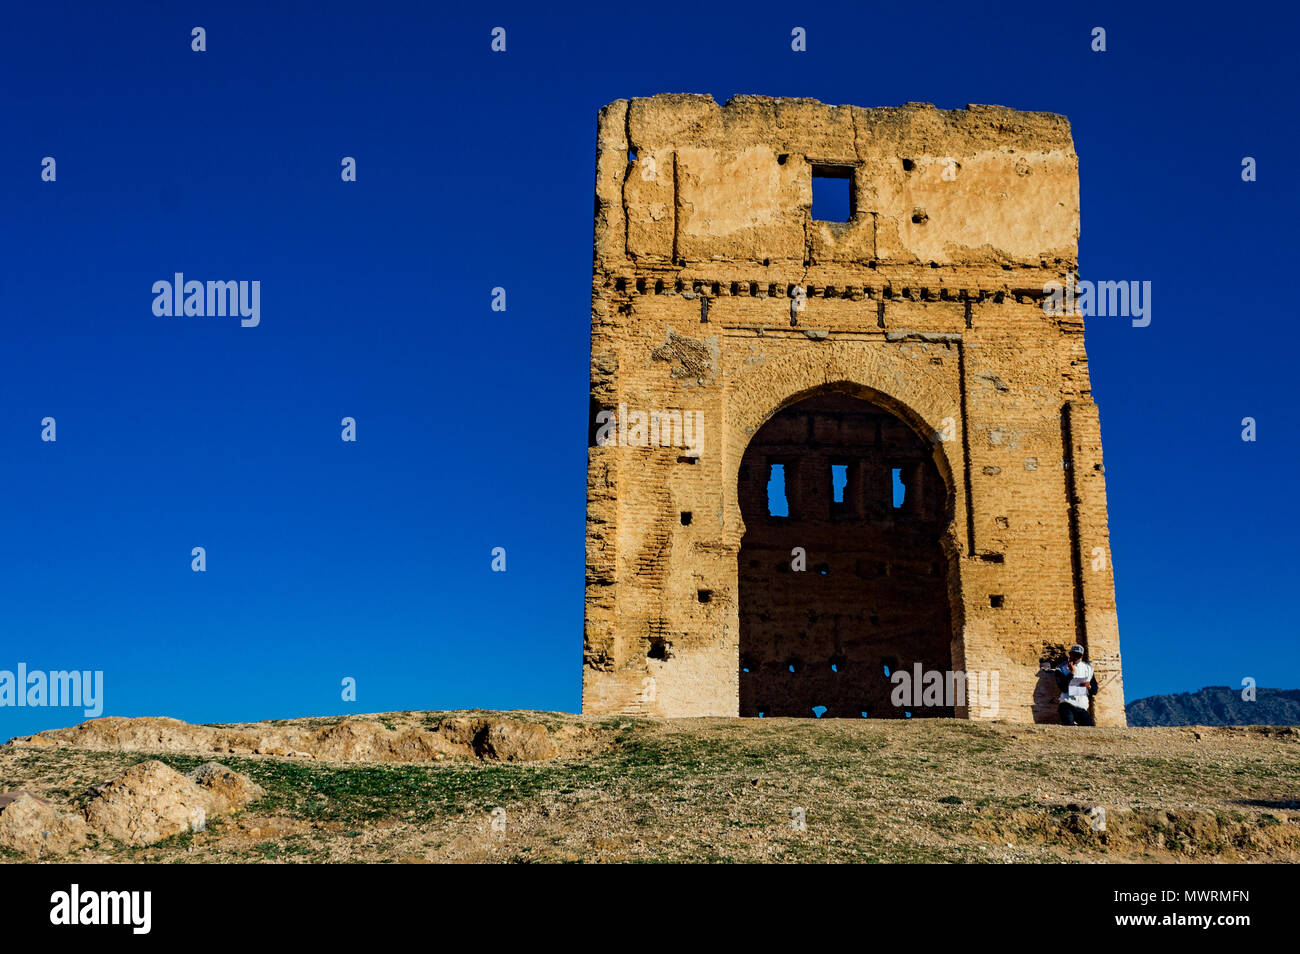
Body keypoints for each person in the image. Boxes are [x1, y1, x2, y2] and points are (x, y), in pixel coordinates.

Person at [1056, 644, 1098, 726]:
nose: (1075, 657)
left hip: (1081, 706)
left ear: (1081, 657)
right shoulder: (1061, 668)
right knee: (1069, 727)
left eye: (1078, 656)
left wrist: (1089, 686)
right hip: (1067, 703)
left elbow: (1094, 691)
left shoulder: (1088, 669)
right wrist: (1071, 673)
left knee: (1090, 729)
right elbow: (1063, 688)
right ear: (1070, 654)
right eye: (1073, 654)